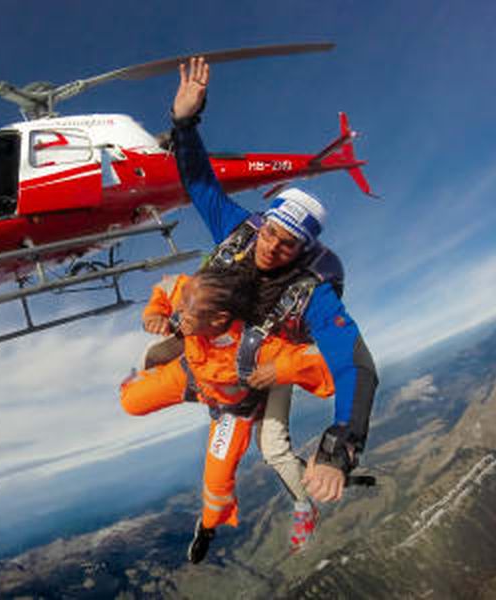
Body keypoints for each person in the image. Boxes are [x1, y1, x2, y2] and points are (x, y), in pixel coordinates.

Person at [170, 57, 379, 513]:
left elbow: (357, 367)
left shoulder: (313, 293)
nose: (270, 249)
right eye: (269, 233)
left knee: (272, 444)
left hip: (274, 355)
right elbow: (202, 185)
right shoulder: (239, 230)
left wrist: (338, 447)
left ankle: (304, 504)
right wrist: (185, 124)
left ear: (303, 251)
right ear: (262, 223)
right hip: (232, 343)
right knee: (171, 340)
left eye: (286, 246)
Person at [120, 269, 335, 563]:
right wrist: (154, 312)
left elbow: (325, 365)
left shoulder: (260, 347)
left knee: (217, 482)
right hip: (192, 375)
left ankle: (207, 527)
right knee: (131, 401)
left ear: (219, 319)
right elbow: (168, 285)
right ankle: (144, 377)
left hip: (232, 410)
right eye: (180, 308)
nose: (178, 315)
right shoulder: (195, 292)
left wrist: (281, 371)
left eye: (186, 312)